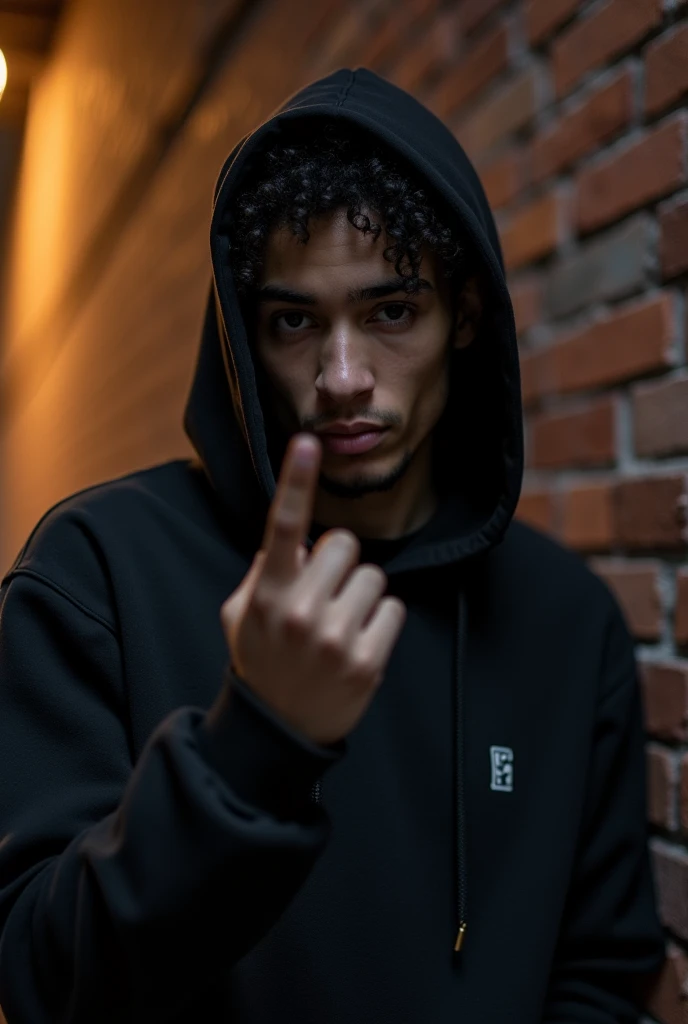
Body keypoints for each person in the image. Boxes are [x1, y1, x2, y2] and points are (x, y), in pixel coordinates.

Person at [0, 67, 664, 1024]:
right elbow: (37, 982)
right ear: (241, 334)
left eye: (391, 312)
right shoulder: (97, 572)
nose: (342, 375)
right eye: (294, 322)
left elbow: (599, 978)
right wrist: (257, 740)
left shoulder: (566, 623)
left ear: (463, 315)